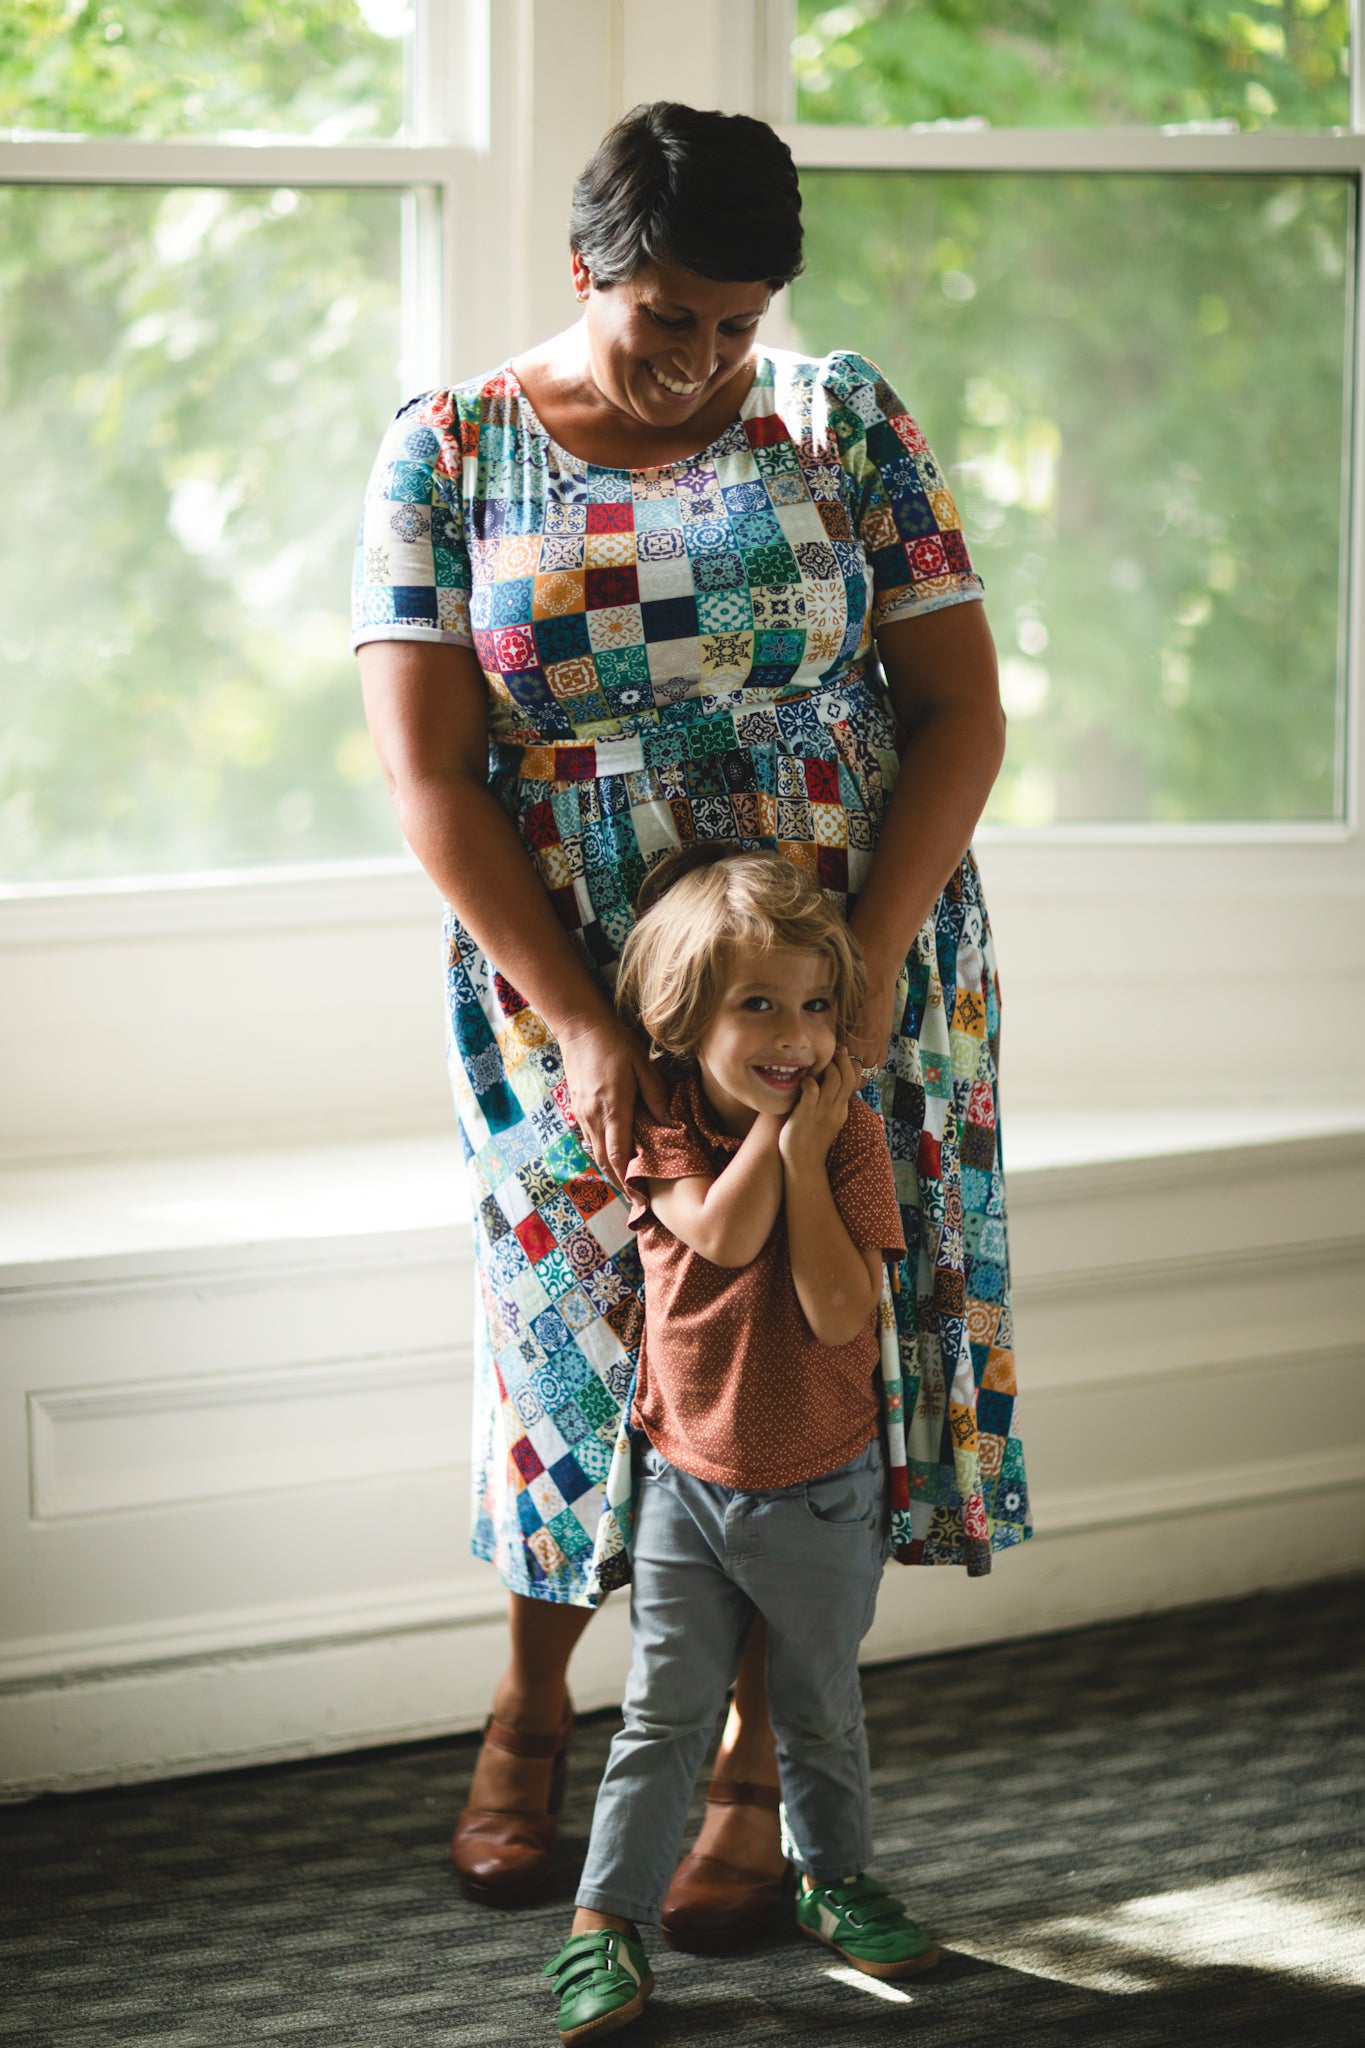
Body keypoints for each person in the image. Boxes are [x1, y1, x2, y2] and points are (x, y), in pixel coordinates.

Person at [352, 99, 1029, 1933]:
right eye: (667, 319)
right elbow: (427, 775)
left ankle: (749, 1764)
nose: (702, 363)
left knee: (792, 1342)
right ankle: (529, 1709)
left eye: (736, 324)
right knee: (578, 1335)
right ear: (589, 269)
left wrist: (873, 964)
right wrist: (577, 1019)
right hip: (568, 974)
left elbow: (961, 712)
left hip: (823, 974)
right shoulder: (451, 449)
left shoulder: (845, 419)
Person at [542, 850, 936, 2044]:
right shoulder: (658, 1124)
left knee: (818, 1704)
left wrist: (811, 1149)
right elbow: (721, 1235)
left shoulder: (848, 1137)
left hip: (822, 1484)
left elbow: (834, 1309)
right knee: (662, 1712)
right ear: (682, 1016)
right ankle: (603, 1923)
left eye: (818, 1005)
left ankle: (830, 1873)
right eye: (758, 1004)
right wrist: (780, 1141)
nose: (799, 1035)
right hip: (688, 1481)